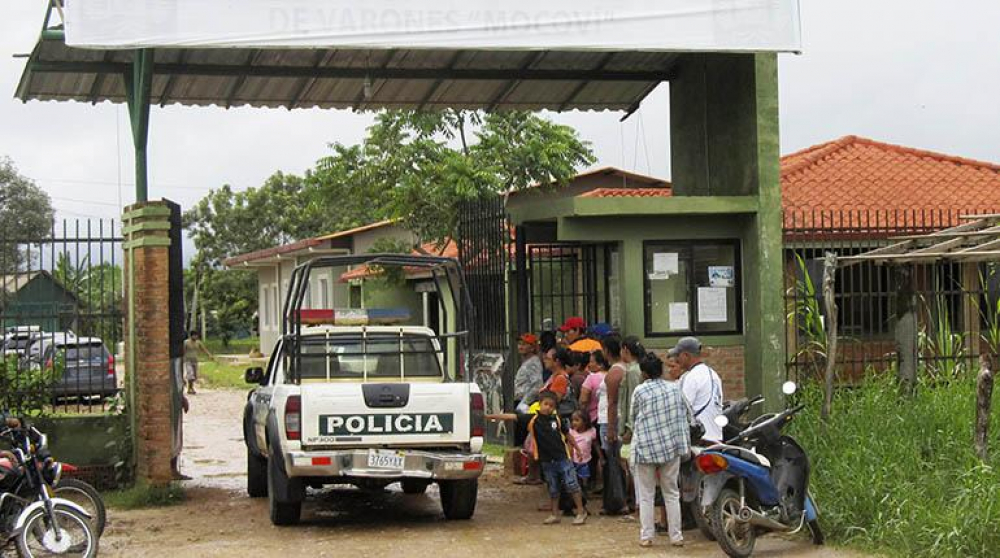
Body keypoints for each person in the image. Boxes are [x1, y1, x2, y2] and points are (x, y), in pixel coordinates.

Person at [488, 391, 589, 525]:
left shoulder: (556, 419)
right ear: (539, 405)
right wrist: (491, 416)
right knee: (553, 487)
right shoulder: (533, 419)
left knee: (572, 484)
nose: (548, 407)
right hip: (547, 460)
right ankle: (554, 514)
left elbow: (568, 435)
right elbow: (512, 416)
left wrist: (577, 449)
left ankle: (581, 512)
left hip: (563, 458)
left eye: (551, 405)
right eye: (545, 404)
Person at [629, 353, 691, 548]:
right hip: (671, 446)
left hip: (646, 447)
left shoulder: (640, 391)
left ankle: (647, 536)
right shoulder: (675, 388)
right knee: (672, 492)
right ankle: (676, 536)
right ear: (661, 370)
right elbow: (688, 413)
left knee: (646, 494)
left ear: (644, 373)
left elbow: (633, 417)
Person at [599, 333, 630, 515]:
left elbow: (612, 402)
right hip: (616, 419)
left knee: (613, 461)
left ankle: (617, 501)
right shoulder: (626, 369)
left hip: (610, 420)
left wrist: (611, 428)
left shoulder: (615, 372)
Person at [674, 336, 725, 443]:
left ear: (686, 355)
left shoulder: (692, 377)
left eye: (677, 355)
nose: (676, 360)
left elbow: (681, 410)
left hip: (699, 439)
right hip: (716, 437)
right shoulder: (712, 374)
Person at [514, 333, 543, 412]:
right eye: (519, 344)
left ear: (532, 348)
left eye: (524, 344)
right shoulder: (527, 361)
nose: (520, 346)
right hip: (520, 401)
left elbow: (537, 385)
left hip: (526, 404)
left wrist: (524, 403)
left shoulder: (533, 363)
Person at [568, 410, 597, 490]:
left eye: (577, 420)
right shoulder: (571, 432)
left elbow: (595, 444)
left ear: (585, 421)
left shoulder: (592, 431)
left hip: (586, 460)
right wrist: (570, 459)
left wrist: (601, 457)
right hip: (574, 460)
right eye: (572, 420)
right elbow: (570, 445)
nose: (574, 422)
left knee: (585, 477)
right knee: (574, 477)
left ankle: (584, 490)